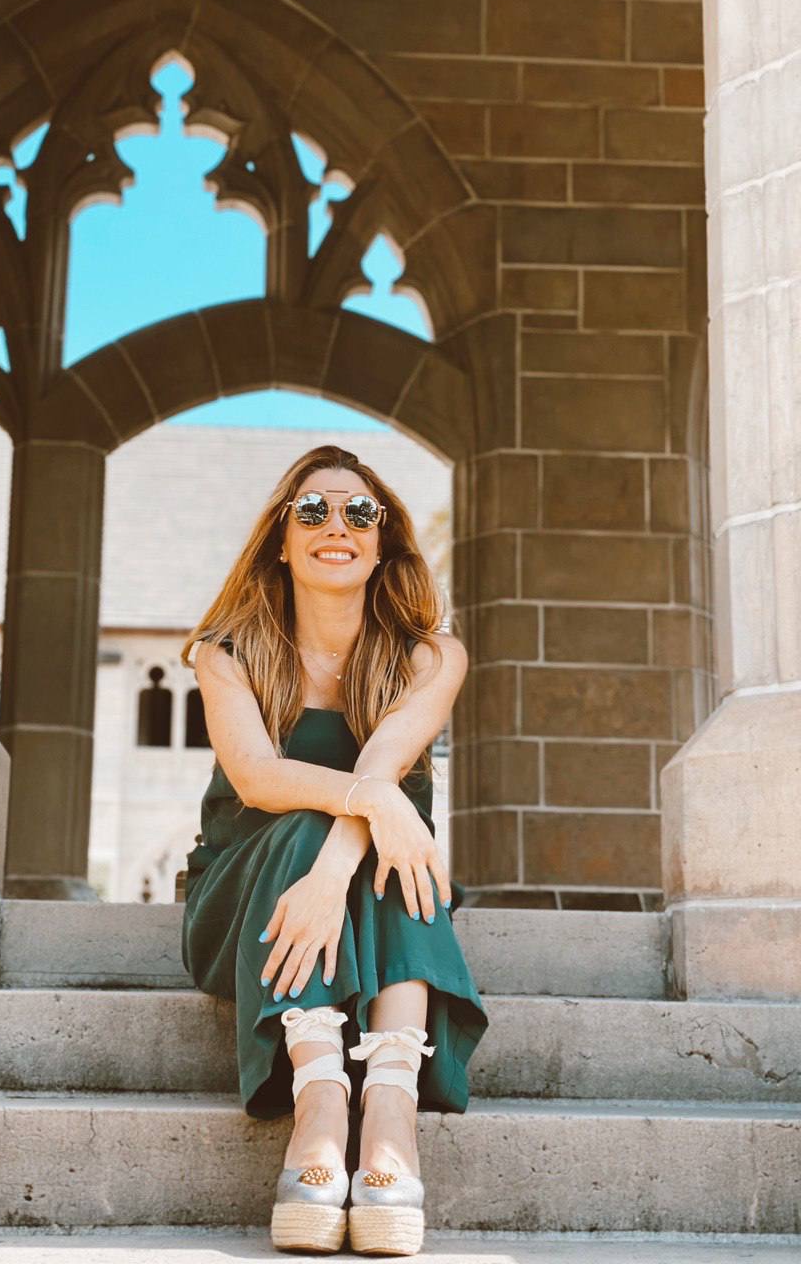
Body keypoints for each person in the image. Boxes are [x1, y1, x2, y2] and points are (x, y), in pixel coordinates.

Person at [179, 444, 488, 1256]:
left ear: (383, 543)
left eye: (360, 512)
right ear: (282, 541)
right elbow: (259, 778)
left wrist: (332, 873)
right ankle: (319, 1103)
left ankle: (388, 1112)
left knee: (390, 841)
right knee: (341, 819)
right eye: (312, 511)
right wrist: (362, 820)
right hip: (245, 904)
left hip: (373, 889)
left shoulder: (432, 656)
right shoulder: (227, 653)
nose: (336, 526)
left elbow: (380, 772)